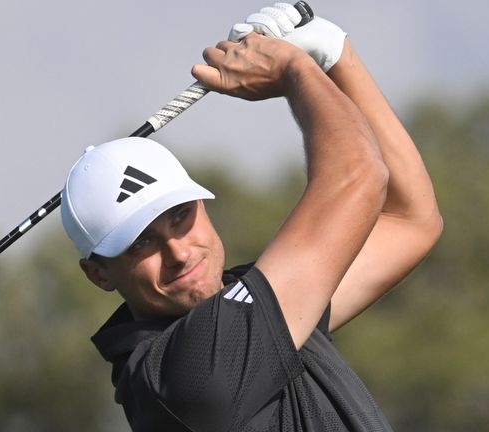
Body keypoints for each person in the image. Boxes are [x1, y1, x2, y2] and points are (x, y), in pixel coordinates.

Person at [60, 3, 442, 431]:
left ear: (203, 206)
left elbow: (410, 221)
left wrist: (336, 57)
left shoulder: (253, 307)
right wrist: (296, 71)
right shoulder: (180, 376)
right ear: (99, 275)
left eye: (181, 216)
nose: (179, 252)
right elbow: (359, 176)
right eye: (140, 243)